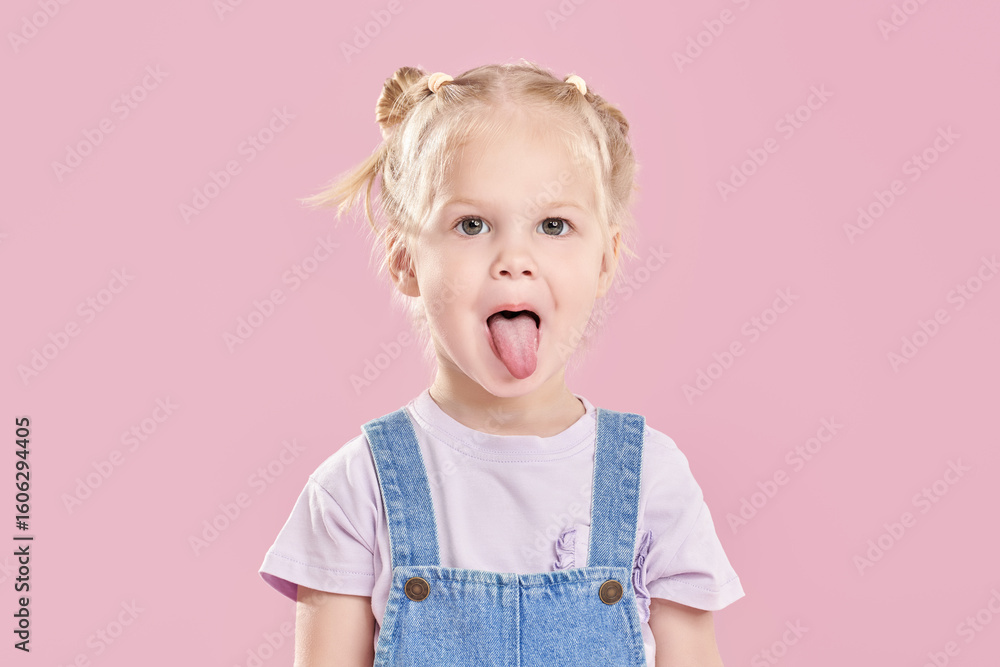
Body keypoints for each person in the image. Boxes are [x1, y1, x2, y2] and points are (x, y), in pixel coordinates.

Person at [258, 61, 744, 666]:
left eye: (553, 225)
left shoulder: (652, 480)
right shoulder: (358, 490)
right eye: (472, 224)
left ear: (606, 260)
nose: (515, 258)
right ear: (405, 260)